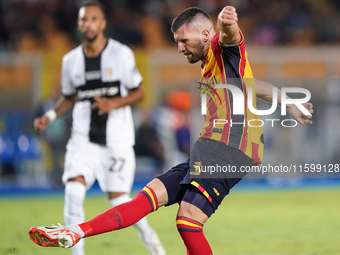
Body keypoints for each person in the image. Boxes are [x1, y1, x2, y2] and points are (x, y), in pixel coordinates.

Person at [29, 6, 313, 254]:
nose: (179, 48)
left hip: (229, 147)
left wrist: (228, 22)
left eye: (183, 41)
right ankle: (76, 232)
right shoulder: (216, 67)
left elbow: (231, 37)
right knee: (148, 197)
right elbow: (252, 85)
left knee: (188, 220)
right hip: (210, 147)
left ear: (205, 35)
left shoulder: (219, 48)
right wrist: (287, 101)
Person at [32, 1, 166, 255]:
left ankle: (150, 238)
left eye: (94, 19)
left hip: (117, 139)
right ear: (79, 24)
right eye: (84, 20)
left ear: (102, 23)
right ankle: (77, 252)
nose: (88, 24)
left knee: (119, 200)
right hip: (83, 138)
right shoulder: (70, 61)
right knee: (72, 191)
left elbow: (140, 91)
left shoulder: (121, 54)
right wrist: (49, 116)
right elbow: (70, 97)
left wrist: (114, 102)